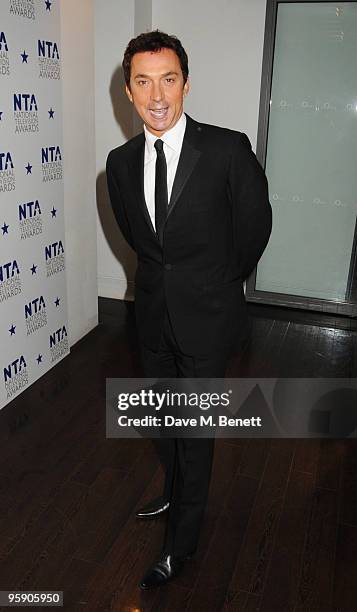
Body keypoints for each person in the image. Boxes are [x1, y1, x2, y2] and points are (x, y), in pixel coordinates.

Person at [106, 30, 272, 589]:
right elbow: (140, 238)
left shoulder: (227, 149)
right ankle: (175, 493)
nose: (157, 94)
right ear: (128, 91)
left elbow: (254, 228)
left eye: (168, 79)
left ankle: (181, 543)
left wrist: (220, 283)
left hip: (207, 318)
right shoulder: (120, 163)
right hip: (152, 318)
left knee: (194, 432)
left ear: (186, 84)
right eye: (143, 81)